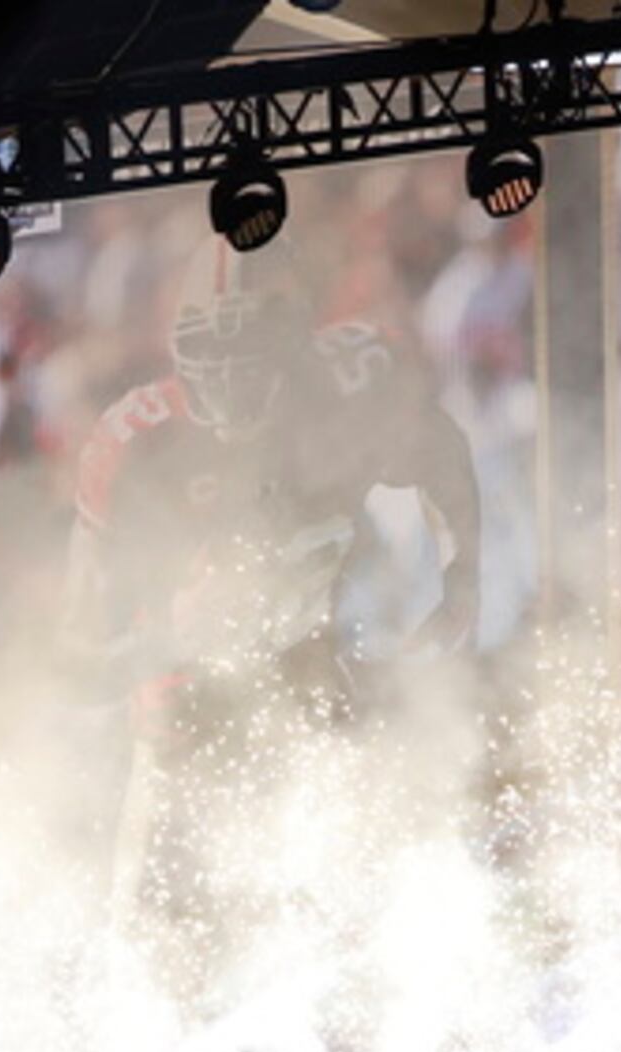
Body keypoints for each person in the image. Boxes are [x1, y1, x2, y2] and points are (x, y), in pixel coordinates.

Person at [65, 247, 482, 897]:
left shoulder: (353, 387)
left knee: (363, 877)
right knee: (163, 923)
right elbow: (82, 654)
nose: (230, 381)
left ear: (297, 347)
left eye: (250, 357)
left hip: (312, 672)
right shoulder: (138, 444)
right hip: (186, 705)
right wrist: (179, 635)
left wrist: (460, 587)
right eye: (213, 356)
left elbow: (444, 460)